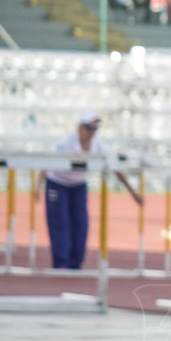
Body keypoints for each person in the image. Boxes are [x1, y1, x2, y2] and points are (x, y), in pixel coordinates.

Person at [35, 111, 143, 269]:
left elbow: (116, 168)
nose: (91, 132)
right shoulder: (66, 143)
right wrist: (38, 187)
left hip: (78, 186)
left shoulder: (98, 146)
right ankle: (61, 263)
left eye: (95, 128)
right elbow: (47, 164)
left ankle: (75, 263)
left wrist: (133, 192)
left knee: (81, 224)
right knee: (60, 223)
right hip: (57, 184)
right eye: (88, 127)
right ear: (80, 128)